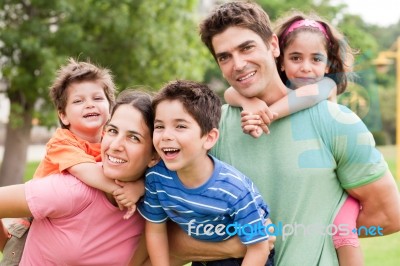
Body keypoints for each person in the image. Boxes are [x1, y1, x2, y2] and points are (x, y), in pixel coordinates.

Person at [167, 2, 400, 265]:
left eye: (247, 48)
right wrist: (238, 245)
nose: (239, 64)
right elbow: (168, 236)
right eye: (224, 57)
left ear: (274, 46)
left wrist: (319, 234)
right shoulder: (207, 131)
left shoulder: (336, 121)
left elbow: (388, 216)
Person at [224, 11, 363, 265]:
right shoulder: (282, 92)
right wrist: (248, 101)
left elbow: (306, 97)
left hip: (340, 196)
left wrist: (266, 115)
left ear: (328, 65)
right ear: (281, 61)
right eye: (296, 58)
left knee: (343, 231)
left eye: (316, 59)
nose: (306, 67)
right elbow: (229, 92)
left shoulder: (325, 87)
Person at [0, 58, 140, 265]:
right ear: (63, 115)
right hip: (31, 222)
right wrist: (121, 190)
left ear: (110, 108)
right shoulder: (62, 142)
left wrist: (138, 187)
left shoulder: (109, 142)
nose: (89, 104)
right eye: (78, 101)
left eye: (97, 98)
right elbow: (86, 171)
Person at [137, 80, 274, 266]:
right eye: (160, 126)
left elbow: (260, 247)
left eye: (180, 126)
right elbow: (155, 230)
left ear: (209, 138)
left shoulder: (234, 190)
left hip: (246, 257)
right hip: (204, 257)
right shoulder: (157, 177)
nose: (166, 135)